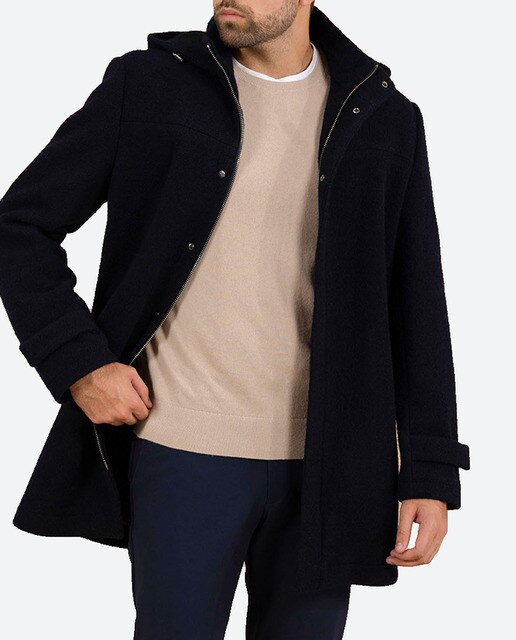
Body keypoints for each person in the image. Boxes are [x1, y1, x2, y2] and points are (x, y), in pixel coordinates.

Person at [0, 2, 471, 639]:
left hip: (329, 467)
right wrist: (78, 362)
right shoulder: (150, 84)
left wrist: (430, 471)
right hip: (183, 451)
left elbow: (416, 302)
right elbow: (18, 229)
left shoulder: (384, 117)